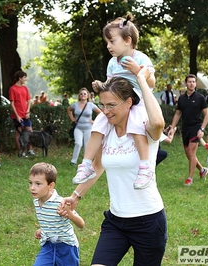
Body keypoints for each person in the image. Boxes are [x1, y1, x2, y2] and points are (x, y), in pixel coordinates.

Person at [59, 69, 167, 266]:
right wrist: (75, 196)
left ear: (128, 103)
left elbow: (159, 122)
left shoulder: (145, 130)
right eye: (102, 105)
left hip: (148, 221)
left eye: (111, 105)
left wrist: (141, 79)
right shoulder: (106, 129)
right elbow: (98, 166)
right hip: (116, 221)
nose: (105, 111)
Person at [72, 14, 156, 190]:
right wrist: (100, 86)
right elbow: (111, 85)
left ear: (127, 40)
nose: (108, 46)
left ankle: (145, 168)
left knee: (137, 129)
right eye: (107, 42)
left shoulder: (140, 58)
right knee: (98, 125)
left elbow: (152, 83)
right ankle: (86, 164)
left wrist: (137, 72)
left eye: (112, 41)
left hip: (138, 103)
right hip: (119, 102)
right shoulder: (112, 63)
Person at [29, 162, 85, 266]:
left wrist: (70, 214)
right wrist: (43, 229)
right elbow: (50, 219)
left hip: (67, 248)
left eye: (38, 184)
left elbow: (81, 224)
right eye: (30, 183)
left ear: (50, 186)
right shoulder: (36, 201)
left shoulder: (60, 203)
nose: (32, 187)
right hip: (48, 247)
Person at [168, 74, 208, 186]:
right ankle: (202, 170)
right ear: (186, 83)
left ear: (195, 84)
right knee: (189, 155)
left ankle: (190, 178)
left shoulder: (200, 98)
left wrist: (202, 129)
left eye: (193, 82)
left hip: (196, 128)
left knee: (192, 152)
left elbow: (206, 115)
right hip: (185, 129)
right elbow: (177, 114)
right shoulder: (181, 98)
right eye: (190, 82)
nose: (192, 84)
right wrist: (172, 127)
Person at [67, 88, 101, 165]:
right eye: (81, 94)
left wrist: (94, 121)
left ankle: (86, 161)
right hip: (78, 128)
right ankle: (73, 161)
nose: (83, 95)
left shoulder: (91, 105)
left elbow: (100, 113)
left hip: (88, 128)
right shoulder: (75, 105)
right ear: (79, 96)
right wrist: (72, 118)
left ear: (87, 96)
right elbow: (69, 110)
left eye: (84, 94)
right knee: (78, 143)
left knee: (87, 144)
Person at [9, 71, 35, 157]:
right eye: (24, 77)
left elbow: (29, 101)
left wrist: (28, 111)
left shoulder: (25, 88)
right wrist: (17, 115)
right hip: (17, 115)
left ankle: (30, 150)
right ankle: (21, 152)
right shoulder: (12, 89)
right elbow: (12, 103)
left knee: (29, 131)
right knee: (18, 133)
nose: (25, 79)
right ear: (19, 78)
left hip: (25, 114)